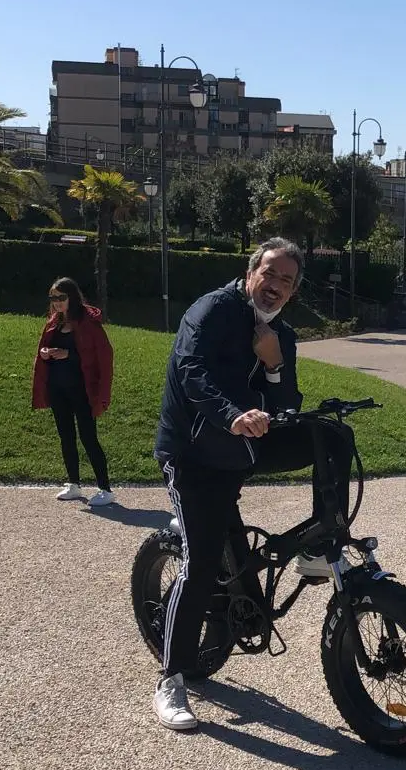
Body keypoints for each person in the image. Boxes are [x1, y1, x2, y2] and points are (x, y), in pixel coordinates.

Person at [152, 237, 355, 733]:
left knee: (332, 435)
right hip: (195, 452)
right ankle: (172, 678)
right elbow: (192, 373)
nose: (277, 287)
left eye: (287, 280)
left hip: (246, 442)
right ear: (251, 273)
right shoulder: (211, 311)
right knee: (200, 562)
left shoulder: (279, 332)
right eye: (271, 275)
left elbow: (287, 399)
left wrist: (273, 363)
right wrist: (233, 415)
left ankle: (321, 542)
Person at [32, 277, 115, 507]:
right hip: (58, 389)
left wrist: (69, 355)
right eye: (53, 298)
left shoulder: (89, 324)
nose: (57, 302)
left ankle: (105, 488)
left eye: (61, 297)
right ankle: (74, 484)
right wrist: (46, 353)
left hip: (83, 391)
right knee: (66, 437)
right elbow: (42, 353)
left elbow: (102, 356)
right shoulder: (53, 323)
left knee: (89, 438)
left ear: (72, 297)